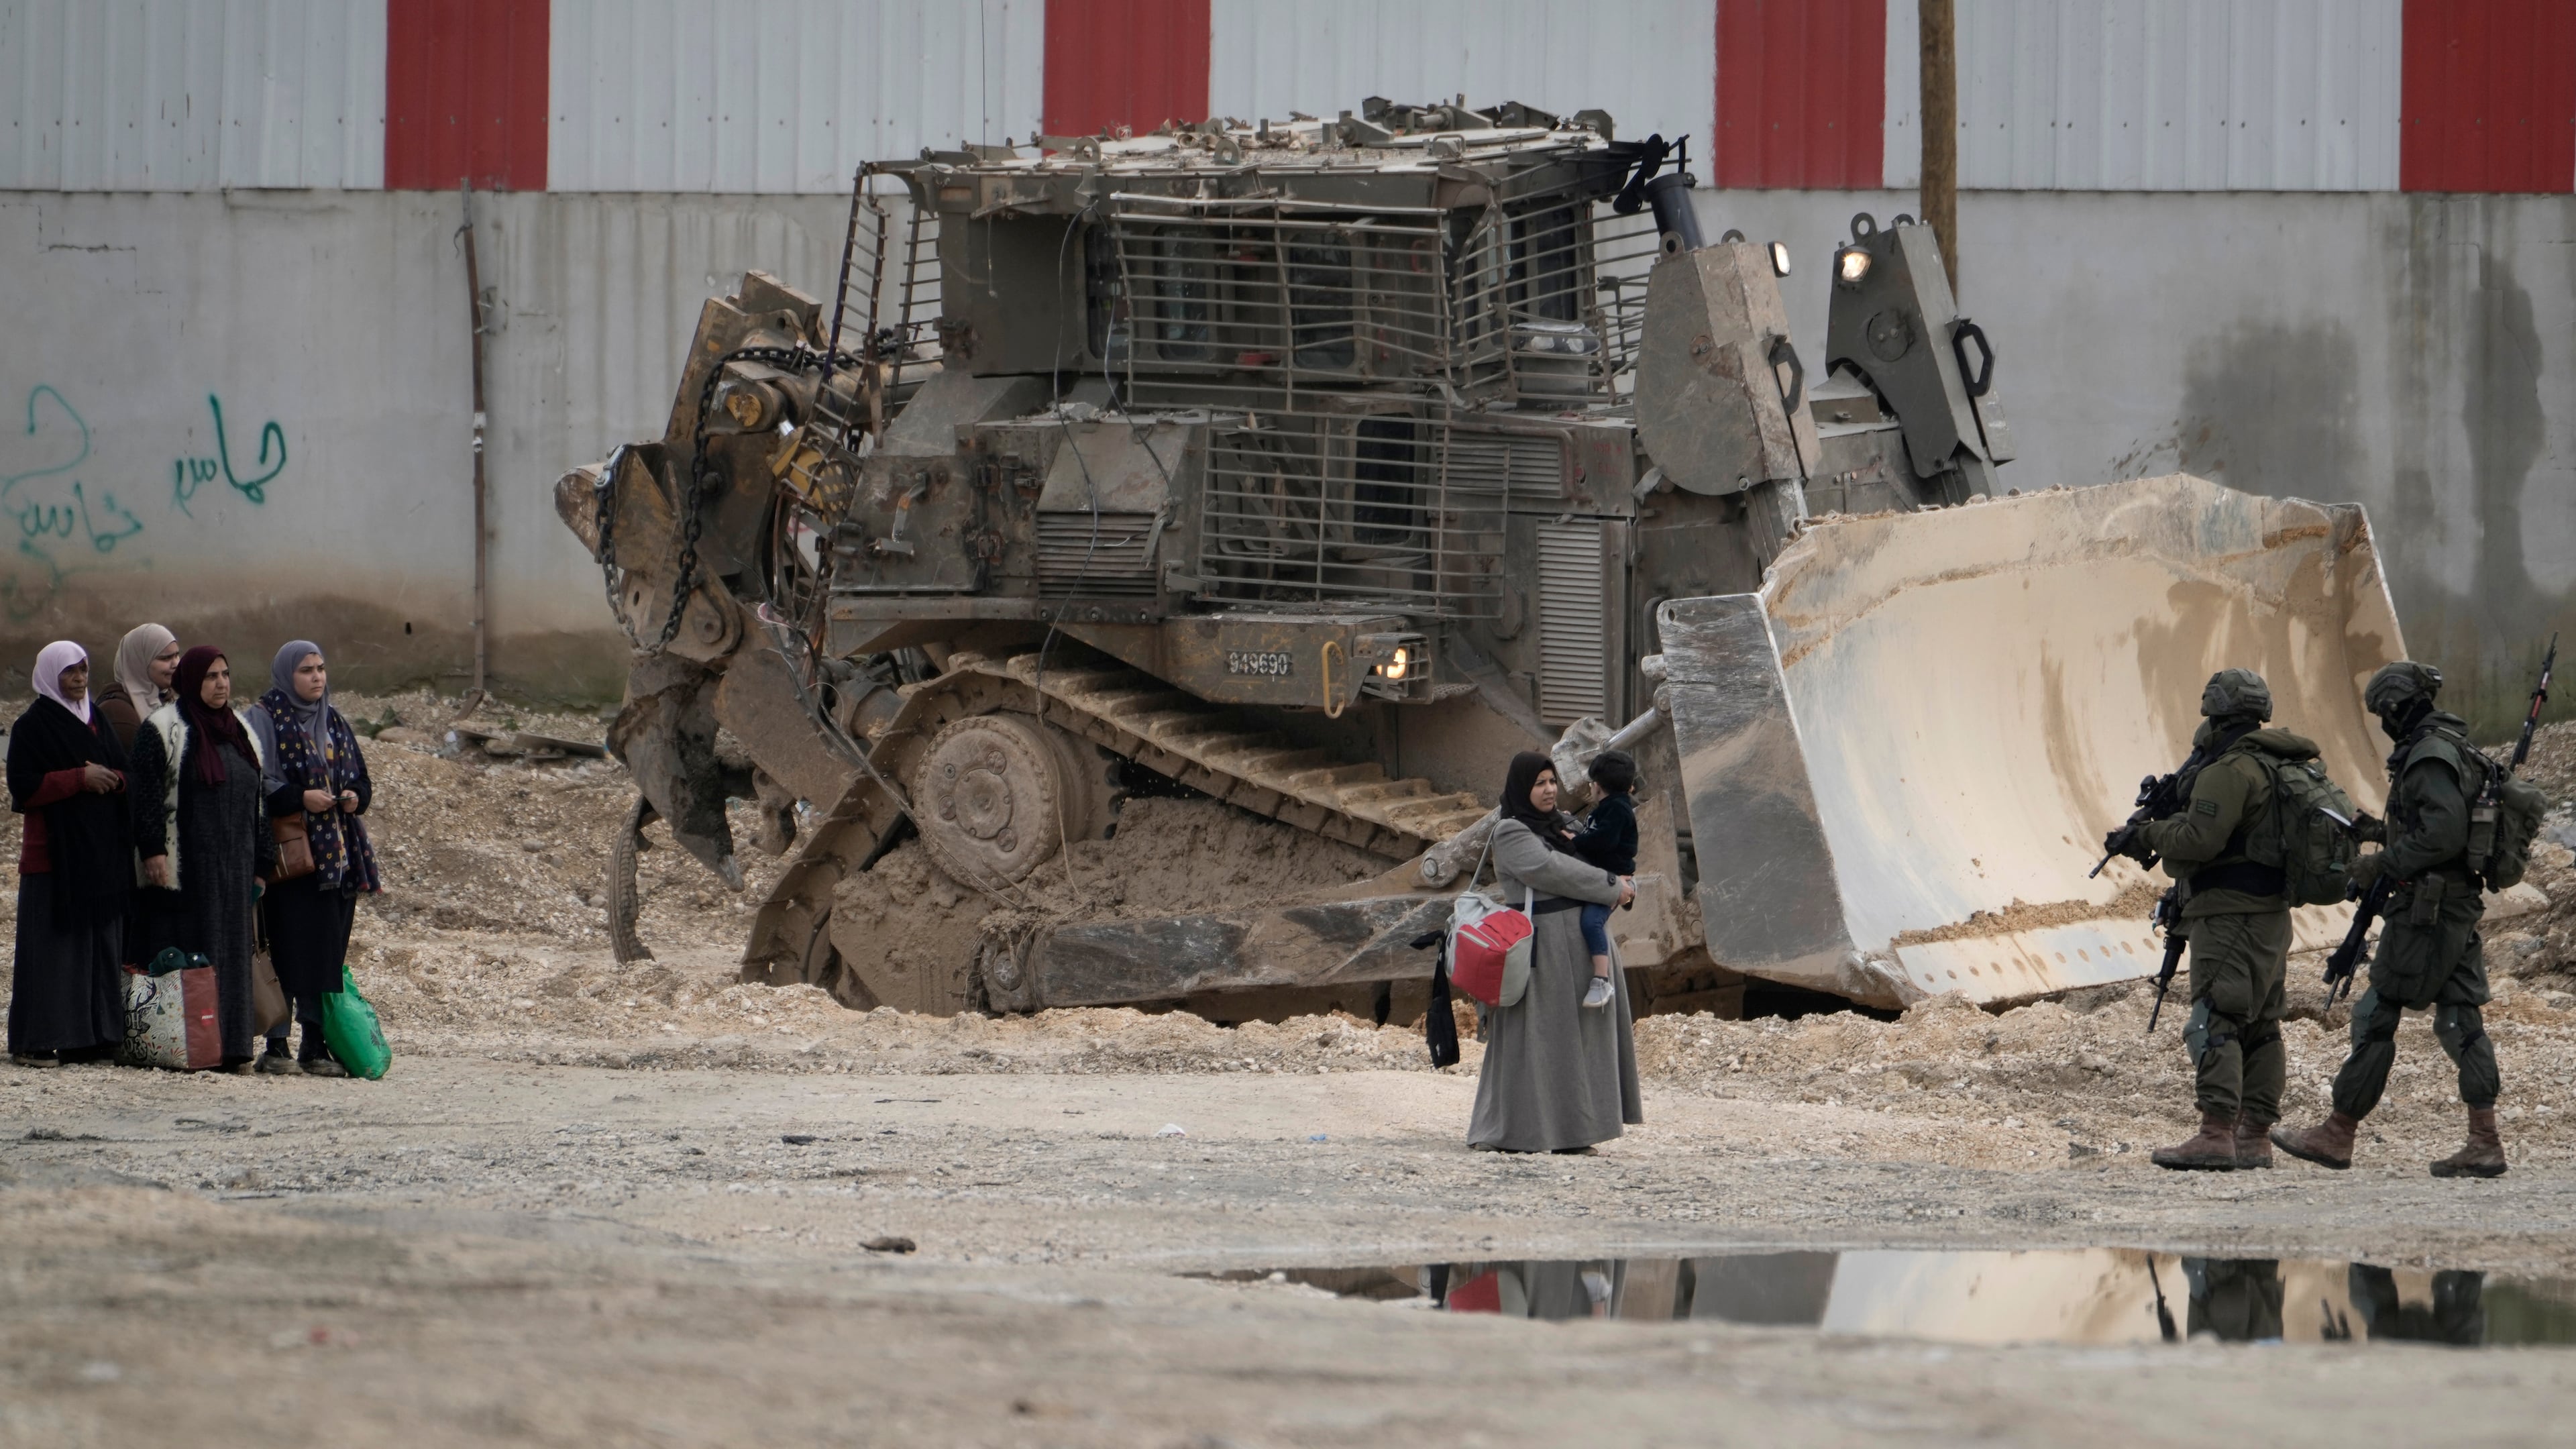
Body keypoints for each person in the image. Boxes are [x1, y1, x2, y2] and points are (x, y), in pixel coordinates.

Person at [2274, 661, 2507, 1177]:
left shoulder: (2427, 756)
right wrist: (2379, 832)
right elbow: (2437, 830)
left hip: (2427, 913)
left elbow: (2442, 835)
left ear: (2400, 706)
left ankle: (2338, 1133)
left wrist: (2383, 861)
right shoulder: (2452, 747)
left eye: (2384, 712)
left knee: (2377, 1013)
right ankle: (2485, 1141)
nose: (2382, 722)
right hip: (2455, 907)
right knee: (2461, 1020)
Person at [2108, 668, 2316, 1171]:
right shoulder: (2281, 765)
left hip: (2227, 914)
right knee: (2263, 1025)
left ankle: (2215, 1133)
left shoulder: (2229, 771)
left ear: (2216, 712)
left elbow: (2199, 840)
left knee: (2216, 1017)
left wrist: (2149, 835)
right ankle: (2255, 1136)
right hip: (2271, 914)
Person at [1466, 751, 1642, 1154]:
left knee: (1582, 1043)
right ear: (1521, 788)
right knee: (1537, 1042)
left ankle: (1575, 1135)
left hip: (1581, 948)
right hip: (1541, 951)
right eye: (1539, 783)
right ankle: (1510, 1132)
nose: (1548, 790)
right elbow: (1552, 871)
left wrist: (1619, 878)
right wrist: (1615, 885)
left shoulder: (1562, 824)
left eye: (1552, 782)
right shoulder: (1510, 833)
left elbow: (1605, 855)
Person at [128, 646, 275, 1070]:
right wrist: (153, 850)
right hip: (186, 869)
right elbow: (147, 794)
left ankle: (231, 1047)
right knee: (191, 953)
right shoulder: (164, 728)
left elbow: (258, 802)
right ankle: (187, 1046)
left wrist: (262, 864)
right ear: (192, 681)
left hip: (234, 868)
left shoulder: (241, 731)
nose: (221, 684)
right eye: (211, 676)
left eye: (226, 675)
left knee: (230, 955)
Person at [246, 641, 378, 1077]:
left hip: (336, 860)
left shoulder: (334, 722)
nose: (317, 677)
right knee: (286, 951)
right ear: (287, 675)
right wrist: (301, 798)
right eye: (306, 670)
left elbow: (361, 777)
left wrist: (355, 796)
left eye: (321, 668)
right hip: (291, 862)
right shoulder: (264, 720)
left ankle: (316, 1047)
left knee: (325, 955)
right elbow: (258, 782)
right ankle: (277, 1045)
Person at [7, 643, 133, 1067]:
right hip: (53, 856)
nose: (79, 679)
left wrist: (112, 781)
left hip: (99, 853)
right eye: (69, 672)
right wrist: (78, 779)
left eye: (83, 670)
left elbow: (124, 771)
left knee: (98, 948)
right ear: (49, 675)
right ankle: (39, 1038)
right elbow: (24, 787)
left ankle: (93, 1038)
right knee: (52, 951)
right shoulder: (33, 726)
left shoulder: (96, 719)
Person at [1567, 750, 1640, 1010]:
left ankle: (1601, 980)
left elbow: (1602, 841)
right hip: (1602, 877)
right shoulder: (1609, 808)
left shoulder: (1618, 810)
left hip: (1612, 880)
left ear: (1597, 787)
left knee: (1591, 922)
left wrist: (1575, 840)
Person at [96, 623, 180, 753]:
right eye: (165, 658)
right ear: (139, 663)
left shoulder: (169, 700)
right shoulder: (117, 713)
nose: (176, 664)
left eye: (176, 655)